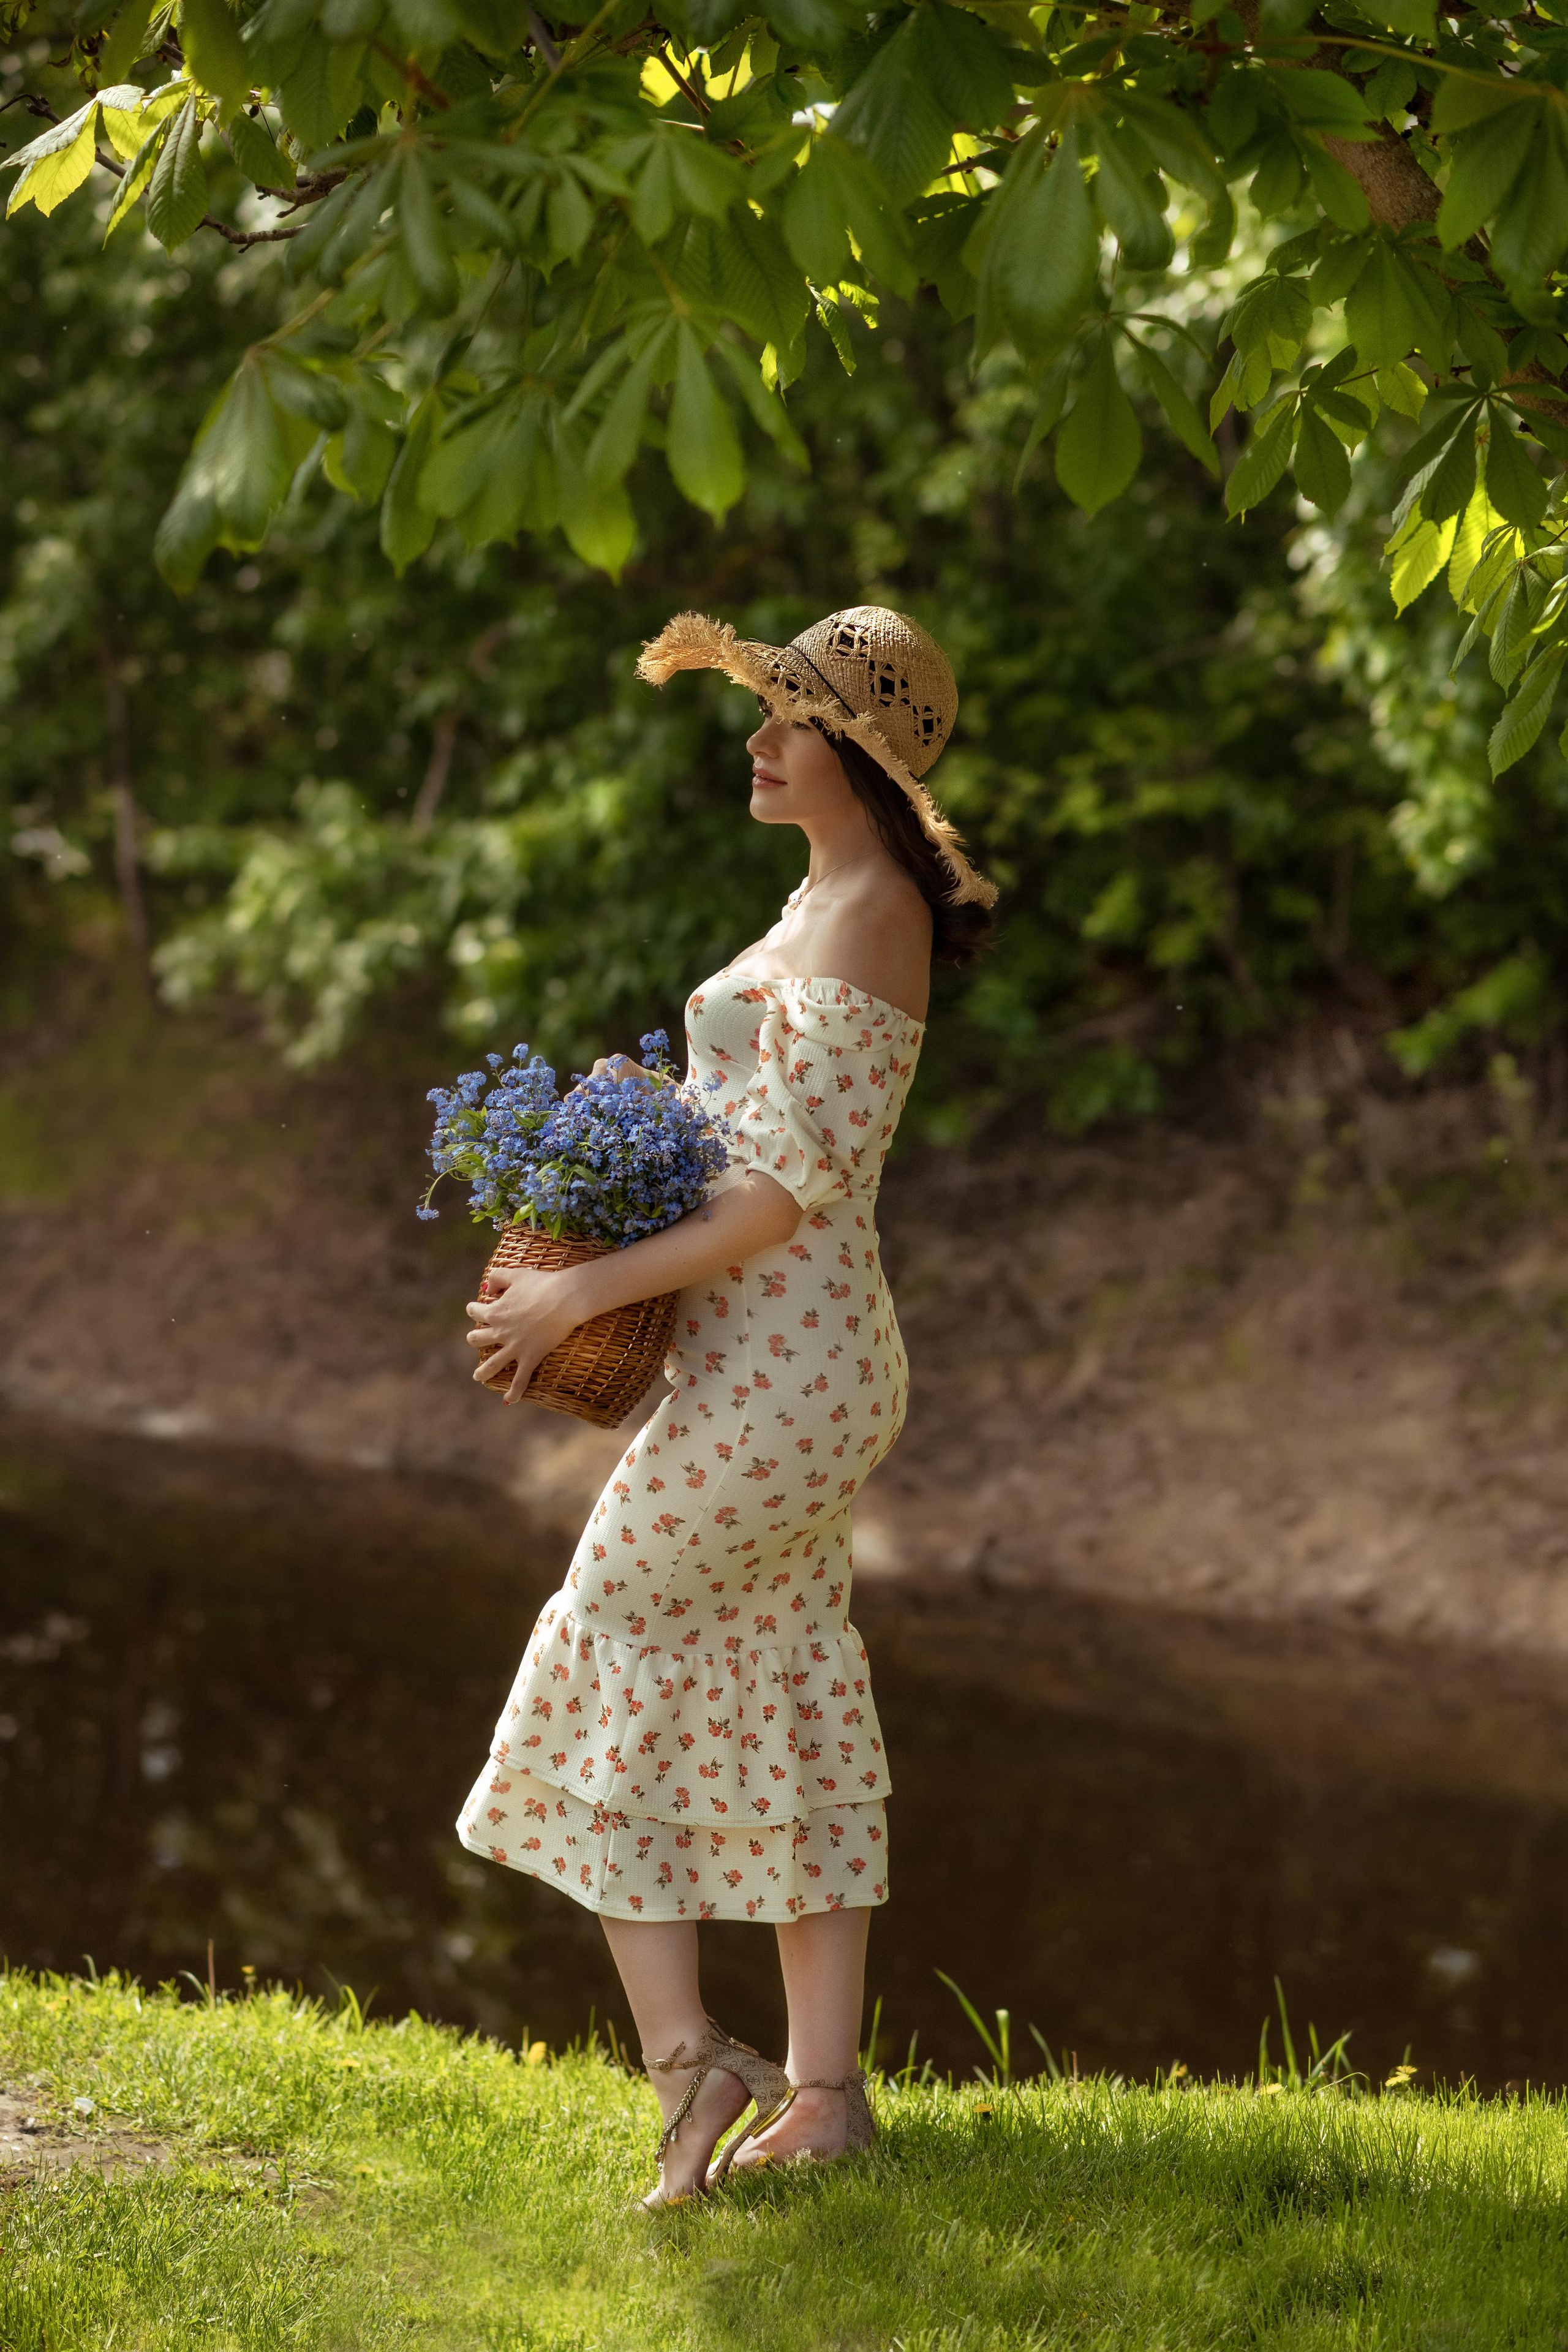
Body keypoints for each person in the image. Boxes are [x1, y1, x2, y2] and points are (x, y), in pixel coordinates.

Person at [456, 605, 997, 2205]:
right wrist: (618, 1144)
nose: (756, 743)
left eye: (782, 719)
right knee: (774, 1673)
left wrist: (579, 1293)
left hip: (789, 1374)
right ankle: (822, 2093)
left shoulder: (872, 911)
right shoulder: (822, 897)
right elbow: (746, 1128)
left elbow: (786, 1195)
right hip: (776, 1370)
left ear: (854, 755)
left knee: (611, 1631)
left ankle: (694, 2076)